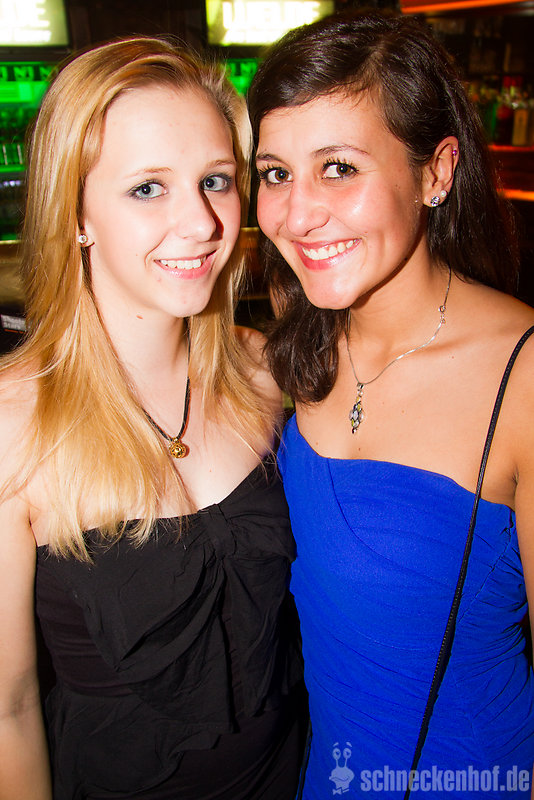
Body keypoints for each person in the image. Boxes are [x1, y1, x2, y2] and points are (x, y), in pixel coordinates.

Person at [0, 37, 304, 800]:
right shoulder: (14, 424)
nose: (200, 223)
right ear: (75, 216)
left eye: (215, 181)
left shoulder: (261, 372)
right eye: (147, 188)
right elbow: (9, 710)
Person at [248, 9, 534, 798]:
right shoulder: (300, 323)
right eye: (275, 173)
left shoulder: (522, 378)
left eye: (338, 168)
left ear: (436, 172)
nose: (297, 215)